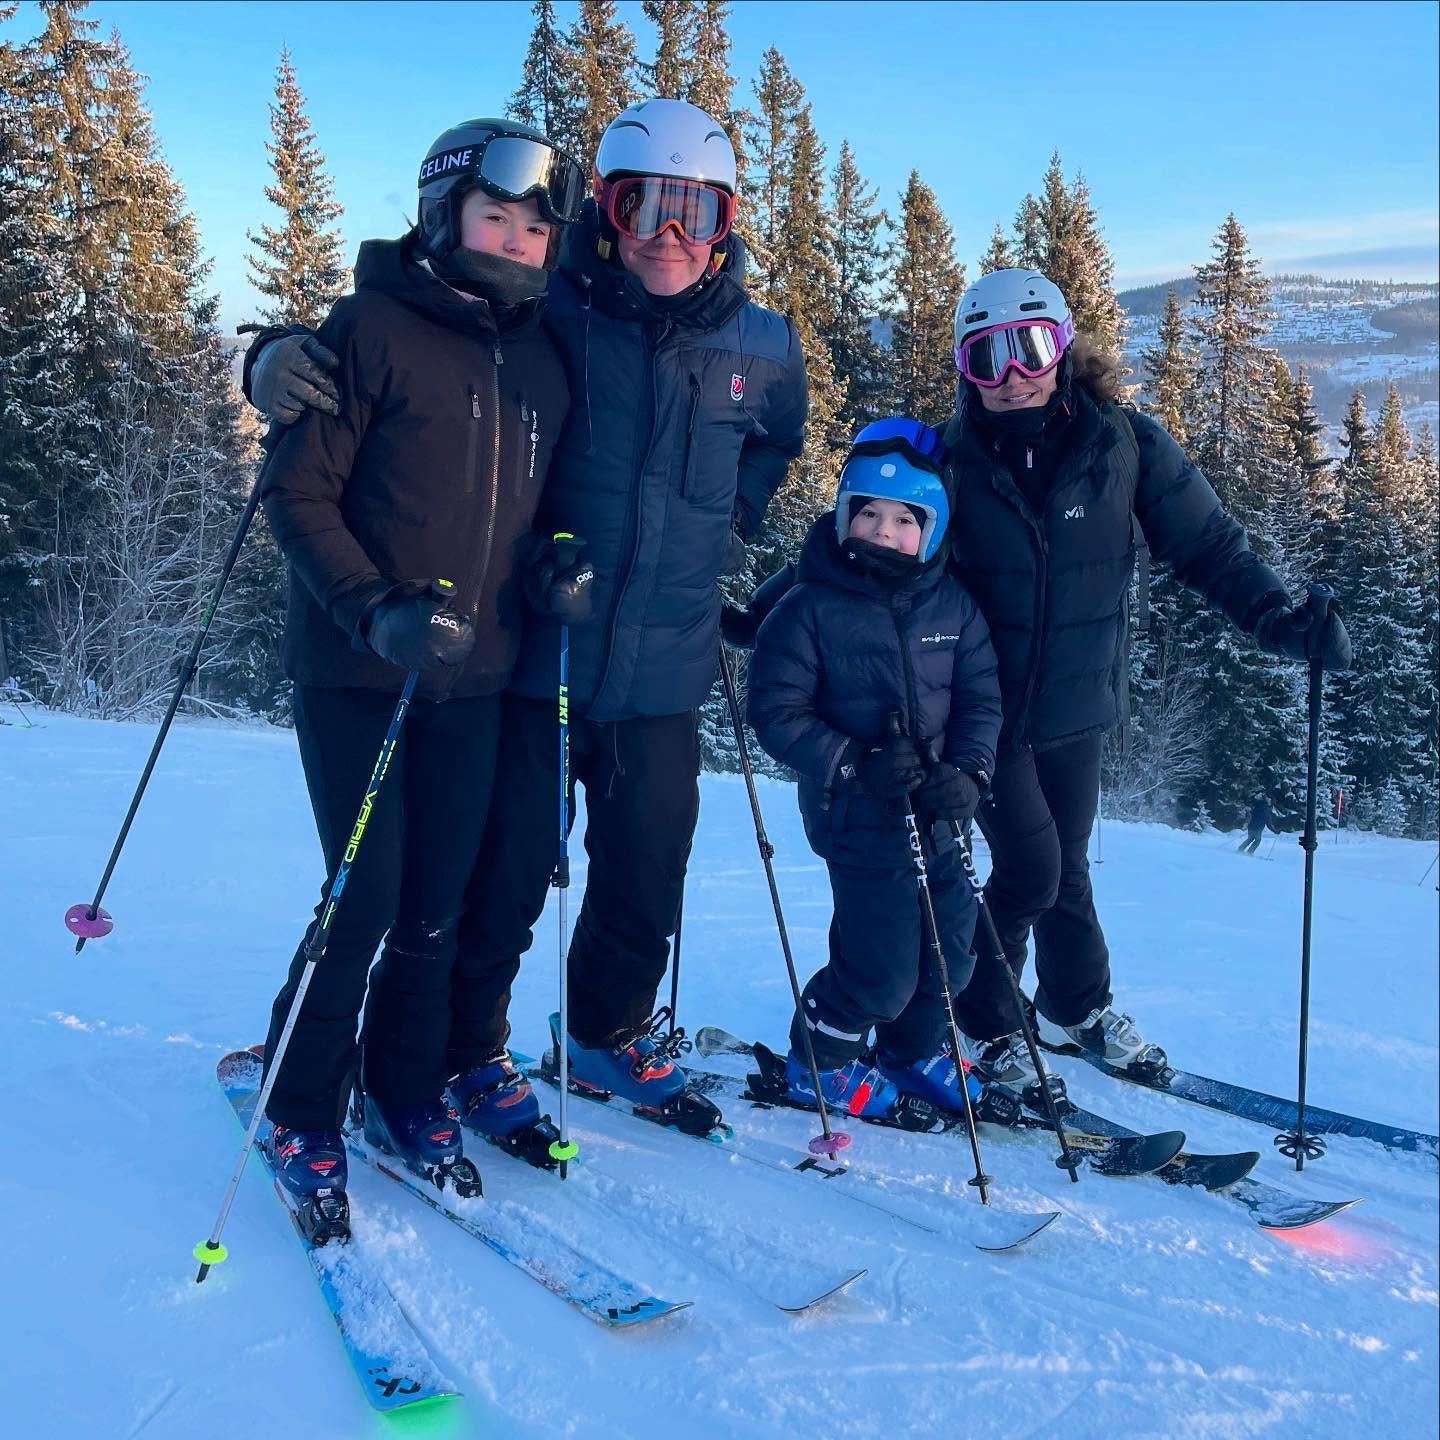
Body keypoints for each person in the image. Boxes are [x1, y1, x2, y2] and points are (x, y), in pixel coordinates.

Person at [247, 98, 809, 1138]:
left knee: (624, 875)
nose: (670, 237)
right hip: (521, 661)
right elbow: (417, 320)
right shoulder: (560, 313)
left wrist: (730, 508)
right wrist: (271, 354)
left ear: (727, 220)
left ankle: (560, 1040)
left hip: (638, 664)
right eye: (646, 207)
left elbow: (778, 435)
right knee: (486, 881)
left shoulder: (754, 344)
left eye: (696, 211)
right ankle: (423, 1061)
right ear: (610, 210)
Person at [254, 118, 586, 1206]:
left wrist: (556, 567)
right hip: (360, 674)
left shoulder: (541, 354)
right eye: (495, 217)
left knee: (440, 900)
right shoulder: (367, 330)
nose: (515, 243)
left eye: (536, 230)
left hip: (476, 679)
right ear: (444, 215)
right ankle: (299, 1101)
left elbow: (534, 511)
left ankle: (405, 1085)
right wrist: (372, 610)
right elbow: (296, 497)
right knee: (366, 900)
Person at [938, 267, 1352, 1089]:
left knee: (1070, 865)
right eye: (988, 358)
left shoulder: (1122, 445)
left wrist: (1280, 621)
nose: (1013, 374)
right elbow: (858, 547)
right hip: (978, 710)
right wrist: (764, 614)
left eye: (1031, 348)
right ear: (965, 370)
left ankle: (1074, 1005)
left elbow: (1208, 547)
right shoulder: (944, 460)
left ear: (1063, 349)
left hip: (1077, 705)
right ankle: (983, 1021)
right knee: (1031, 869)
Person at [746, 420, 1002, 1120]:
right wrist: (856, 765)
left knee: (951, 954)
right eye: (867, 514)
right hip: (859, 818)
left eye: (902, 520)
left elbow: (982, 701)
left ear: (933, 526)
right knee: (881, 968)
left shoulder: (954, 606)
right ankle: (820, 1060)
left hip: (941, 818)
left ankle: (911, 1050)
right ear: (843, 516)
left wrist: (970, 774)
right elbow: (775, 712)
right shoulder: (809, 607)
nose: (882, 532)